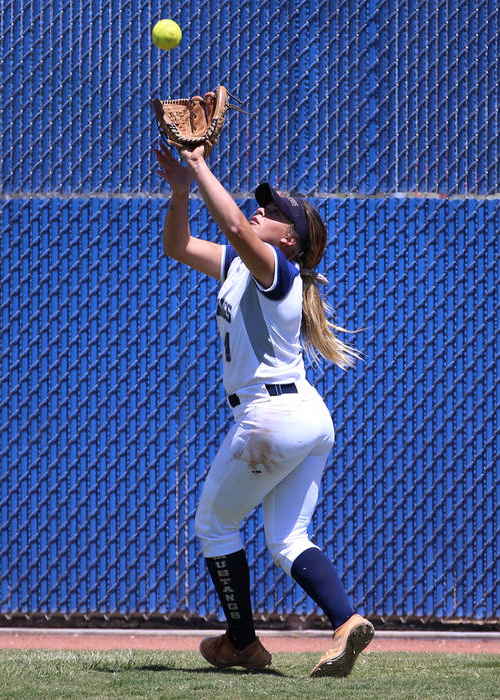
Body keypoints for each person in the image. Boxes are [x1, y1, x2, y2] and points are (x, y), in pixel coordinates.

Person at [153, 138, 374, 678]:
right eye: (264, 205)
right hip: (306, 419)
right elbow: (178, 247)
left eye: (275, 212)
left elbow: (232, 226)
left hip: (271, 418)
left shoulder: (277, 269)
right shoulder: (242, 265)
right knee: (288, 540)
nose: (263, 210)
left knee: (214, 524)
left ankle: (243, 644)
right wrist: (181, 190)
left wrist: (200, 162)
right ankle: (346, 622)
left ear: (290, 239)